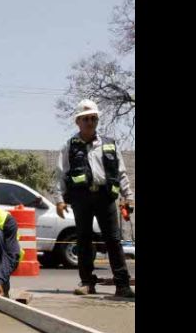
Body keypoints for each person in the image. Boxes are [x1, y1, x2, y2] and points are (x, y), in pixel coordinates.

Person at [54, 99, 135, 298]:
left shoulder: (109, 144)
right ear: (78, 122)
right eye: (85, 119)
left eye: (93, 118)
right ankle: (87, 282)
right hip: (81, 198)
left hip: (105, 197)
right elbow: (61, 174)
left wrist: (128, 196)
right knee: (84, 240)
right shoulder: (69, 147)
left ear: (97, 120)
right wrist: (59, 199)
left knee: (113, 241)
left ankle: (122, 285)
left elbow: (121, 172)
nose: (90, 122)